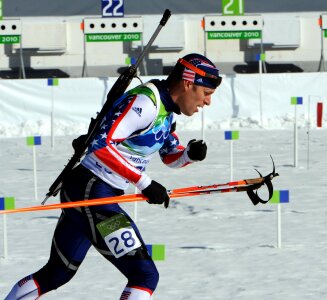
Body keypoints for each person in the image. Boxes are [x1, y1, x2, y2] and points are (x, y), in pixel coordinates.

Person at [5, 53, 222, 300]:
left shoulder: (167, 111)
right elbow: (101, 144)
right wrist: (145, 183)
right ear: (187, 83)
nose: (207, 102)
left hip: (91, 191)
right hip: (93, 192)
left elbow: (169, 156)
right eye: (206, 93)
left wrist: (189, 155)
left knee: (57, 273)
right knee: (145, 275)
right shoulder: (145, 103)